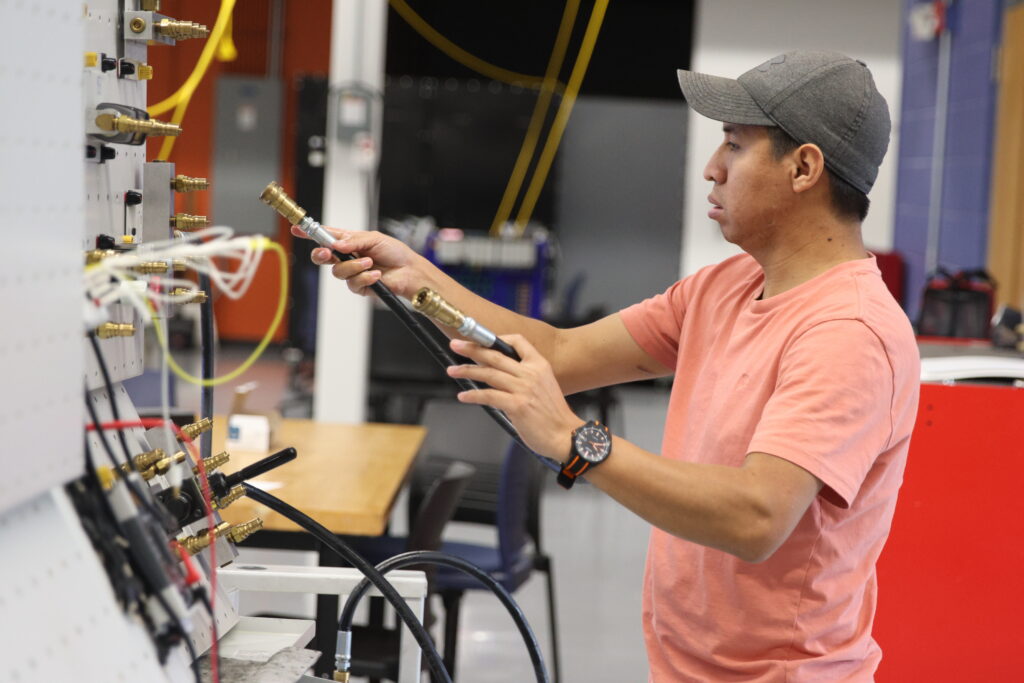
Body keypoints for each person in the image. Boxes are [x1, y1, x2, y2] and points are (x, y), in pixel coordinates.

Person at [295, 50, 920, 682]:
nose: (712, 168)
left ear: (804, 167)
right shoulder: (723, 288)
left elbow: (757, 516)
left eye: (734, 145)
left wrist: (576, 442)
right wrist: (417, 276)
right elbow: (560, 354)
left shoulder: (849, 332)